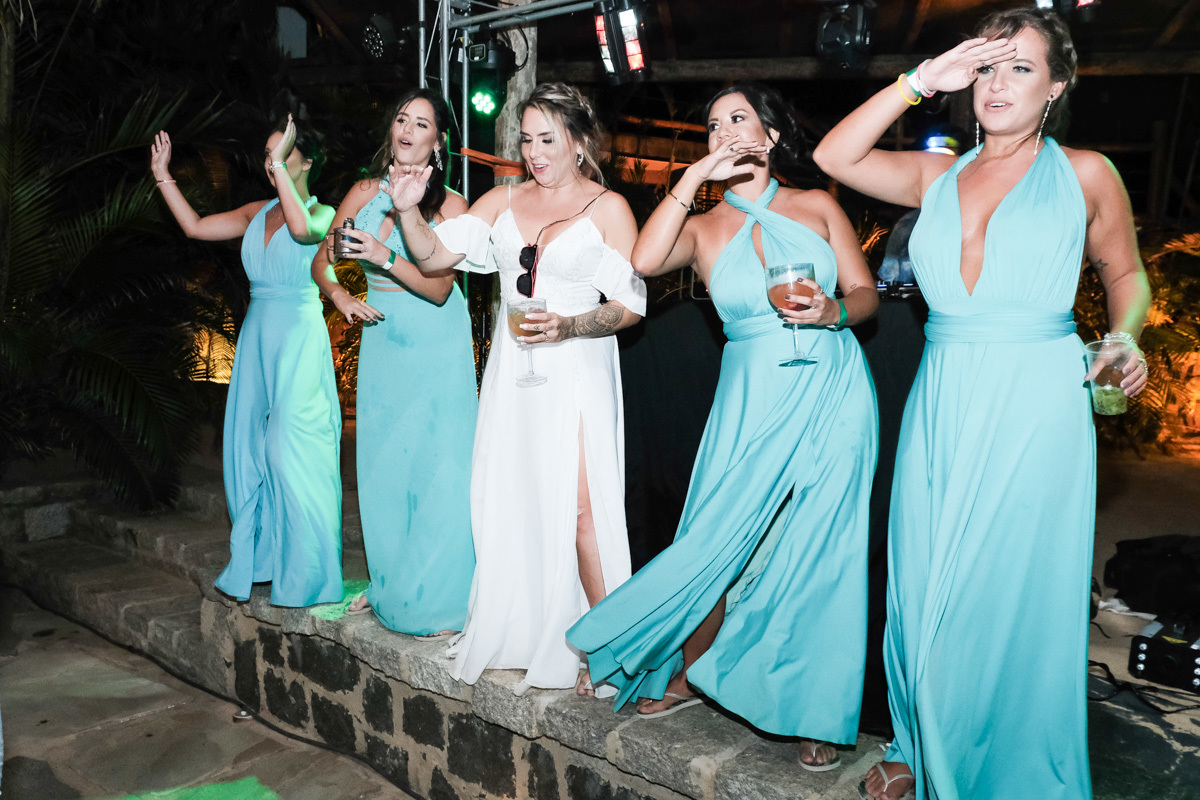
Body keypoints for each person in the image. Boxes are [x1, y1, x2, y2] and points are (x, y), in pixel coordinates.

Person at [812, 9, 1150, 799]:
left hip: (1039, 399)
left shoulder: (1088, 173)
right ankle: (922, 740)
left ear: (1057, 86)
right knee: (924, 579)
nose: (998, 84)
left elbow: (1126, 276)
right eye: (989, 68)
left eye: (1021, 68)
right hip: (945, 393)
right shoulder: (938, 175)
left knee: (1008, 588)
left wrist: (1125, 338)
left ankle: (1008, 759)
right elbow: (835, 153)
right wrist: (921, 80)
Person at [568, 83, 880, 770]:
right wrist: (691, 181)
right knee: (713, 536)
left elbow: (864, 295)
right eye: (712, 125)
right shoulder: (703, 227)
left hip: (832, 383)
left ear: (769, 136)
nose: (724, 132)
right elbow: (641, 264)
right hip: (751, 394)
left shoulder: (818, 205)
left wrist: (832, 312)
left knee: (822, 549)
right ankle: (689, 671)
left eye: (738, 119)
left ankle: (816, 708)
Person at [387, 82, 646, 695]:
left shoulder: (607, 208)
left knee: (583, 509)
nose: (534, 151)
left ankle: (608, 645)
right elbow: (431, 259)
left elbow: (632, 305)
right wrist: (406, 210)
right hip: (515, 371)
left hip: (577, 367)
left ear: (580, 142)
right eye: (526, 139)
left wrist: (570, 326)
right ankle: (532, 631)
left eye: (547, 139)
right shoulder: (501, 200)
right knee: (518, 495)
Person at [151, 116, 345, 607]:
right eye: (266, 154)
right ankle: (259, 560)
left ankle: (307, 571)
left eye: (281, 153)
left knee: (288, 450)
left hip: (299, 338)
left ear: (307, 161)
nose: (269, 161)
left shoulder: (324, 214)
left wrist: (280, 172)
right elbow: (195, 227)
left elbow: (302, 230)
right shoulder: (257, 211)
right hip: (258, 337)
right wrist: (162, 175)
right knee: (246, 449)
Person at [309, 89, 476, 636]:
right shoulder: (361, 192)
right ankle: (390, 584)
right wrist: (339, 292)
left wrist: (381, 255)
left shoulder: (451, 205)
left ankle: (442, 600)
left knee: (438, 469)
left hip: (436, 342)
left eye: (421, 123)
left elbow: (438, 288)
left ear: (438, 141)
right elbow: (321, 260)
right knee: (384, 469)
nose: (407, 128)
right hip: (385, 342)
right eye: (401, 118)